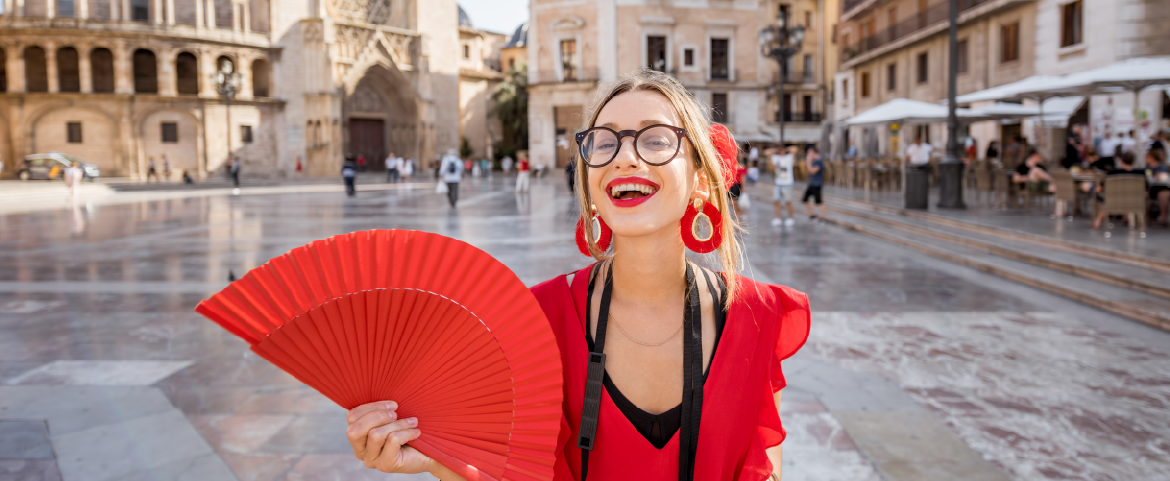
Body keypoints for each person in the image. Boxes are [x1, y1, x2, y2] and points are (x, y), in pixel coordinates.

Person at [344, 68, 809, 481]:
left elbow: (766, 466)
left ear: (701, 180)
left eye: (655, 139)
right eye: (604, 142)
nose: (624, 157)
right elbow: (516, 471)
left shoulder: (757, 316)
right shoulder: (537, 318)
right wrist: (436, 461)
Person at [1092, 152, 1143, 229]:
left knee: (1101, 196)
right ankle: (1129, 218)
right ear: (1133, 161)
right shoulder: (1140, 174)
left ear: (1121, 161)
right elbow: (1146, 188)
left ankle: (1098, 220)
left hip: (1114, 202)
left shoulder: (1112, 173)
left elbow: (1099, 188)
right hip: (1135, 202)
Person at [769, 146, 796, 227]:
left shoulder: (789, 157)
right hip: (778, 183)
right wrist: (776, 149)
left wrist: (786, 149)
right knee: (776, 200)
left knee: (788, 201)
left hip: (787, 183)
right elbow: (767, 152)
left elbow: (795, 149)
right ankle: (778, 218)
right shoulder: (776, 158)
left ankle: (790, 218)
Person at [1146, 150, 1169, 226]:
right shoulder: (1147, 167)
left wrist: (1159, 175)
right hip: (1151, 188)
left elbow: (1164, 177)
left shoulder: (1162, 166)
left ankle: (1163, 219)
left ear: (1152, 157)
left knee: (1164, 193)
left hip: (1163, 186)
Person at [803, 145, 826, 219]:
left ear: (814, 152)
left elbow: (812, 171)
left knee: (818, 201)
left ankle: (823, 216)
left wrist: (808, 162)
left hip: (817, 184)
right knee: (805, 199)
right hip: (812, 183)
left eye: (809, 153)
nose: (808, 155)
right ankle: (812, 214)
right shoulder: (815, 161)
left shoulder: (819, 161)